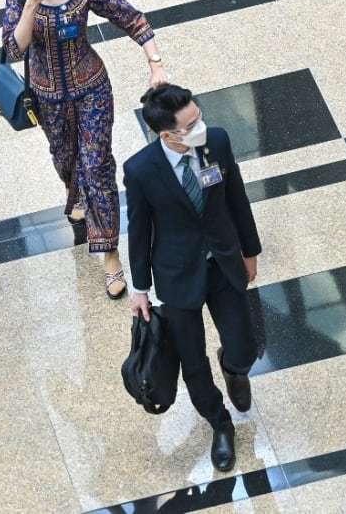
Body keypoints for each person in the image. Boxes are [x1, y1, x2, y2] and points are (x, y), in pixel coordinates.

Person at [2, 0, 168, 299]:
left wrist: (155, 62)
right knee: (65, 159)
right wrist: (31, 3)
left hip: (91, 87)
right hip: (47, 95)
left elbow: (131, 18)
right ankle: (75, 195)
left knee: (96, 166)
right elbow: (14, 47)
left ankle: (109, 254)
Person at [124, 83, 261, 472]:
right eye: (191, 124)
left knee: (244, 349)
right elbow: (139, 231)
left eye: (198, 116)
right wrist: (140, 289)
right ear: (167, 134)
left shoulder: (215, 142)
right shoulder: (141, 170)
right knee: (192, 361)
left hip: (222, 262)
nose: (201, 125)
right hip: (177, 274)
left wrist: (249, 251)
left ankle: (233, 367)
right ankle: (220, 425)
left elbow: (236, 198)